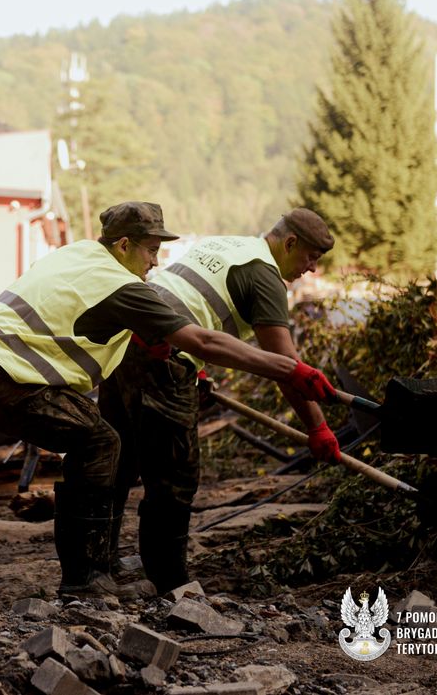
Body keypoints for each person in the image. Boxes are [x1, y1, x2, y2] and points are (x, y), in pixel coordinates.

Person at [0, 202, 337, 615]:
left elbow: (80, 310)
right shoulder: (127, 285)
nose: (157, 261)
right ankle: (83, 583)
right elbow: (207, 342)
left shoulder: (73, 253)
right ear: (125, 244)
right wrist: (293, 371)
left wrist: (150, 339)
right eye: (151, 249)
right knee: (99, 441)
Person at [98, 207, 337, 595]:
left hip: (127, 340)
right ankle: (170, 583)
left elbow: (189, 300)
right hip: (163, 357)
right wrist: (318, 427)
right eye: (311, 257)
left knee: (118, 456)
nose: (310, 269)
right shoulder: (265, 278)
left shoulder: (229, 245)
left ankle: (99, 565)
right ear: (290, 242)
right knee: (175, 474)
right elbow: (286, 367)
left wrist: (201, 371)